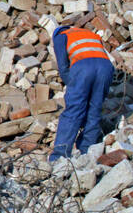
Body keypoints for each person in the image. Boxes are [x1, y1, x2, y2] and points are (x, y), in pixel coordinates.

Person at [49, 16, 115, 161]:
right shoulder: (90, 34)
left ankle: (59, 156)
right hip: (106, 68)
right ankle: (86, 152)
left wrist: (71, 85)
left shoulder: (60, 36)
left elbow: (63, 67)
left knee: (73, 111)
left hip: (84, 68)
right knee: (95, 110)